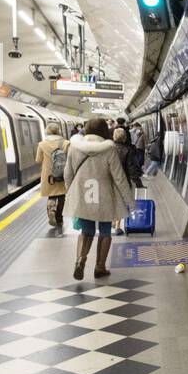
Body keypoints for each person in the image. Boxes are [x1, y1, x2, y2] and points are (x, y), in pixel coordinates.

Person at [63, 118, 134, 280]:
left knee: (86, 231)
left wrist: (71, 192)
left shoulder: (74, 147)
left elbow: (68, 173)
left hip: (83, 195)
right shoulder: (109, 149)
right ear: (104, 131)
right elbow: (119, 177)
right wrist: (129, 200)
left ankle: (80, 259)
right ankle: (100, 267)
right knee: (105, 231)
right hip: (104, 196)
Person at [35, 122, 68, 227]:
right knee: (62, 196)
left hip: (49, 175)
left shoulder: (42, 144)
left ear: (47, 131)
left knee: (52, 194)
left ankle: (51, 209)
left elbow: (38, 160)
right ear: (59, 131)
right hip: (62, 173)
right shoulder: (66, 143)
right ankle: (59, 219)